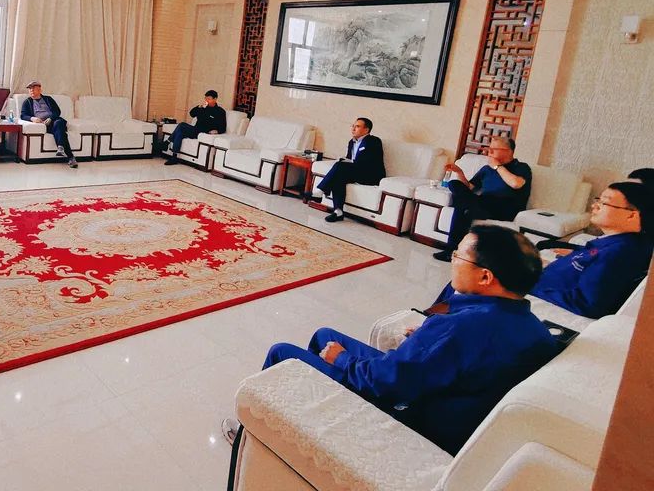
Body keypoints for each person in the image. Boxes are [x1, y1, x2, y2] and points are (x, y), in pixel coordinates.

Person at [221, 225, 557, 455]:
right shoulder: (531, 325)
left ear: (485, 277)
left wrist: (342, 359)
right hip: (440, 396)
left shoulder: (462, 327)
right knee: (325, 335)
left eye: (459, 256)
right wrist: (426, 341)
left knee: (282, 352)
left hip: (409, 412)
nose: (453, 260)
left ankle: (250, 435)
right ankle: (302, 414)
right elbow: (453, 358)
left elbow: (385, 384)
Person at [527, 182, 651, 318]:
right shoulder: (621, 242)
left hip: (537, 287)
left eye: (604, 203)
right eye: (598, 200)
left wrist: (525, 284)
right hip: (546, 277)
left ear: (632, 216)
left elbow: (585, 303)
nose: (594, 206)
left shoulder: (619, 253)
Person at [432, 136, 531, 261]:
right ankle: (453, 247)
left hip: (505, 207)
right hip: (484, 203)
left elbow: (516, 184)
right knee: (454, 184)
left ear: (509, 151)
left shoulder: (521, 167)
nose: (490, 152)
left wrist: (498, 166)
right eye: (489, 149)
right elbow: (470, 187)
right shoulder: (486, 169)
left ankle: (451, 249)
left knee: (463, 206)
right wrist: (460, 172)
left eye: (494, 149)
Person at [316, 117, 385, 222]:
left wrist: (350, 162)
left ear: (366, 130)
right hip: (357, 172)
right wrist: (345, 160)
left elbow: (368, 161)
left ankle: (320, 191)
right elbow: (350, 159)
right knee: (338, 176)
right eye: (353, 126)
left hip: (370, 175)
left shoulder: (374, 141)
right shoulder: (351, 142)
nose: (353, 129)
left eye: (357, 126)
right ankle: (338, 212)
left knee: (339, 167)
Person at [20, 81, 77, 169]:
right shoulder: (27, 102)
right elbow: (23, 115)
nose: (31, 91)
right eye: (30, 89)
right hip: (44, 125)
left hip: (54, 121)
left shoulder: (48, 99)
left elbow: (57, 111)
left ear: (40, 90)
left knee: (58, 124)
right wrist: (33, 118)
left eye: (33, 89)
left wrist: (51, 118)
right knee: (61, 133)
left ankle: (62, 149)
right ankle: (68, 155)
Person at [164, 90, 226, 166]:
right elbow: (192, 114)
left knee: (182, 125)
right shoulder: (202, 108)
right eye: (205, 98)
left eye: (209, 99)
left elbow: (223, 127)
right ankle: (174, 157)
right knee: (180, 131)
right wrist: (198, 107)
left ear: (215, 99)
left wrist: (216, 131)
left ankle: (166, 143)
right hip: (195, 130)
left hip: (203, 133)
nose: (206, 100)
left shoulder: (220, 112)